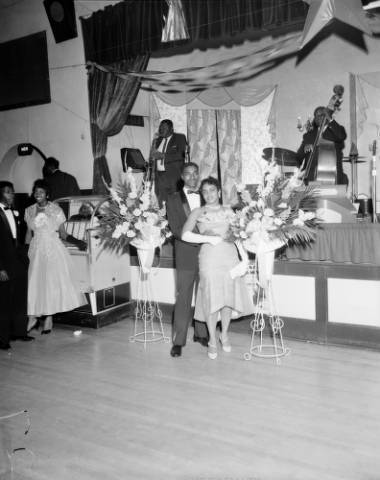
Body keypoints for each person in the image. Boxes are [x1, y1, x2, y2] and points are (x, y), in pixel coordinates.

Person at [181, 177, 254, 360]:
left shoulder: (229, 210)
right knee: (211, 298)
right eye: (205, 191)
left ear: (219, 192)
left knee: (228, 298)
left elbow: (239, 235)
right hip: (209, 259)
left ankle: (225, 334)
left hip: (229, 257)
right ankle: (213, 339)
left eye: (212, 190)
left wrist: (244, 257)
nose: (209, 194)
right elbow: (185, 235)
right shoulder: (198, 211)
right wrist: (207, 238)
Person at [25, 179, 87, 334]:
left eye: (41, 192)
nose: (38, 194)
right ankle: (32, 316)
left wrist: (79, 242)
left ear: (47, 194)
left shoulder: (56, 209)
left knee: (50, 283)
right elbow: (28, 233)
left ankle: (49, 318)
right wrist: (24, 251)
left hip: (52, 249)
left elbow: (63, 233)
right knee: (35, 283)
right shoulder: (29, 210)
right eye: (36, 191)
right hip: (35, 249)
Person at [166, 162, 209, 358]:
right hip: (184, 254)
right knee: (183, 298)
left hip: (207, 254)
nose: (192, 177)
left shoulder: (207, 196)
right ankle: (178, 341)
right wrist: (197, 238)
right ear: (182, 177)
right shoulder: (173, 199)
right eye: (188, 174)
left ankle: (201, 334)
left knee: (204, 295)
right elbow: (176, 229)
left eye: (195, 174)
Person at [0, 181, 32, 350]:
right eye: (7, 192)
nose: (11, 195)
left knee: (20, 298)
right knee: (4, 302)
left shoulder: (16, 211)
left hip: (18, 261)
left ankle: (19, 332)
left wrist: (25, 259)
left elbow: (20, 238)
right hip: (4, 264)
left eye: (12, 192)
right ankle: (2, 339)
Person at [296, 106, 347, 184]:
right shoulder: (308, 135)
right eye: (316, 115)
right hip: (310, 179)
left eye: (322, 115)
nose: (318, 117)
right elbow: (298, 158)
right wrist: (304, 149)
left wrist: (331, 120)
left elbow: (341, 136)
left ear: (327, 116)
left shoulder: (336, 131)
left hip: (332, 178)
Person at [150, 119, 187, 206]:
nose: (161, 130)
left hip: (174, 177)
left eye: (164, 128)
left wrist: (163, 156)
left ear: (171, 129)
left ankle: (174, 219)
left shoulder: (180, 138)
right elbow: (153, 157)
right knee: (161, 203)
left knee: (175, 203)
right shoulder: (156, 140)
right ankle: (163, 219)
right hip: (159, 177)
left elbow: (181, 155)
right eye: (160, 127)